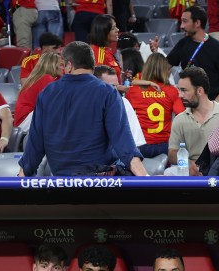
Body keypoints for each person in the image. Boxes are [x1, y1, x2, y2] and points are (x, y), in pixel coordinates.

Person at [19, 42, 148, 176]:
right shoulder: (108, 92)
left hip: (62, 183)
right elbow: (125, 146)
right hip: (100, 184)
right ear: (93, 65)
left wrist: (20, 181)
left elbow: (34, 148)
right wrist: (146, 180)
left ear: (69, 65)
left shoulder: (47, 93)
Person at [167, 7, 219, 103]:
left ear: (197, 23)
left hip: (210, 104)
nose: (181, 26)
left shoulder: (218, 48)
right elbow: (164, 68)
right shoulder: (182, 44)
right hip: (186, 105)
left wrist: (214, 107)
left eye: (185, 21)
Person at [125, 53, 185, 158]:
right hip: (165, 145)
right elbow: (182, 116)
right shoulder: (171, 91)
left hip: (141, 145)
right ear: (165, 69)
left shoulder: (133, 91)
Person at [166, 66, 219, 176]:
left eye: (184, 90)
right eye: (179, 90)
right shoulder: (179, 119)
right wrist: (188, 163)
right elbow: (172, 154)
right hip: (190, 175)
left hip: (218, 173)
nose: (180, 95)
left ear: (200, 91)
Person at [93, 65, 148, 151]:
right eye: (111, 86)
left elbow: (136, 144)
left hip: (119, 161)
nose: (115, 91)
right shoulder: (84, 105)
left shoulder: (124, 103)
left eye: (116, 86)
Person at [14, 51, 60, 129]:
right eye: (61, 65)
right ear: (53, 66)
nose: (64, 67)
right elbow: (52, 105)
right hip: (26, 120)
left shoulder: (42, 78)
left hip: (27, 119)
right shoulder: (46, 78)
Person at [89, 14, 122, 82]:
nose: (117, 30)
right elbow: (98, 80)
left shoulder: (106, 50)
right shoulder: (97, 51)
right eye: (113, 28)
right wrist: (119, 87)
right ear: (104, 32)